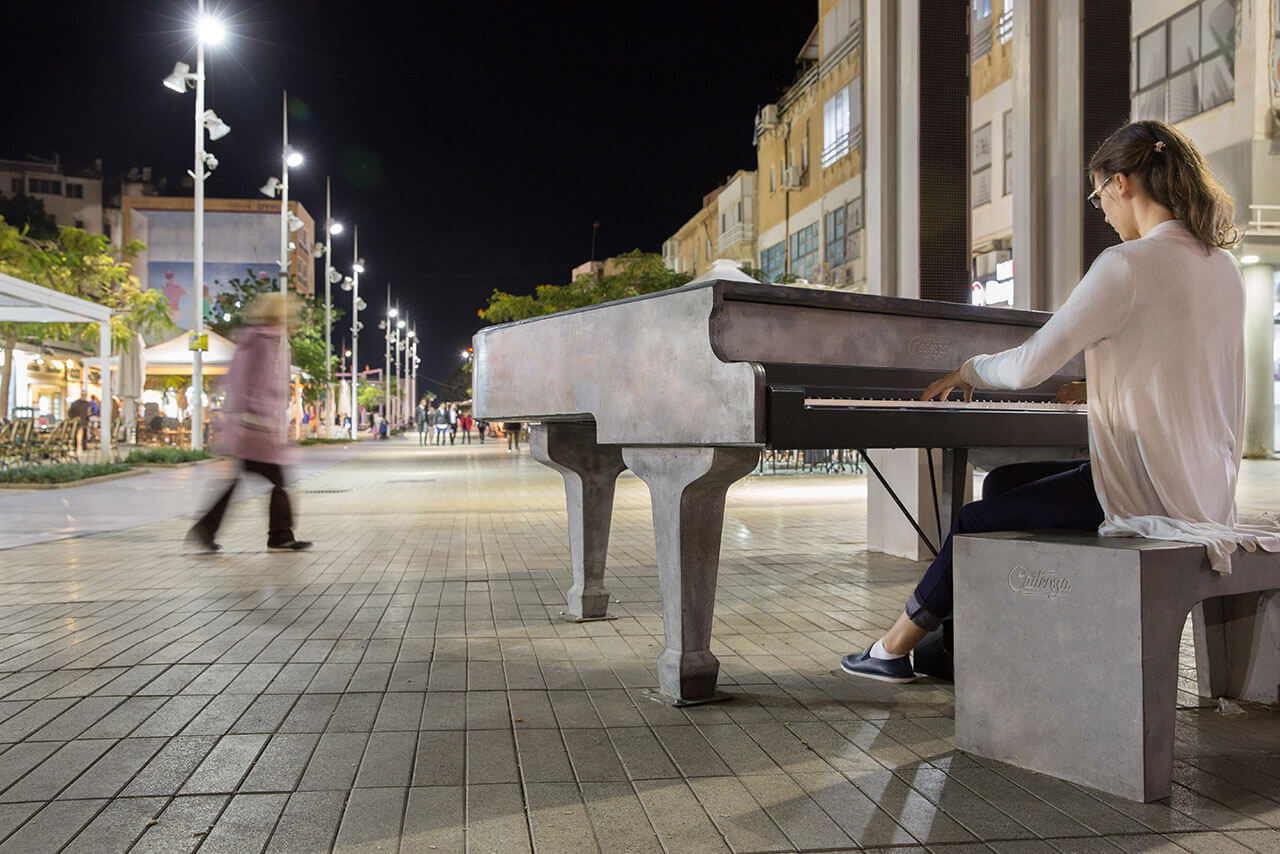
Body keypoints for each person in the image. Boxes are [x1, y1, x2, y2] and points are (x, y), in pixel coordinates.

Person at [840, 119, 1280, 684]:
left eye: (1099, 195)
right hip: (1205, 489)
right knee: (1002, 486)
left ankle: (893, 647)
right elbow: (1189, 369)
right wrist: (1099, 388)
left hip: (1145, 495)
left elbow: (1027, 365)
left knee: (974, 518)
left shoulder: (1125, 266)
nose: (1102, 210)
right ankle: (963, 644)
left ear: (1123, 183)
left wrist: (968, 369)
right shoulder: (1224, 268)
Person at [187, 292, 311, 553]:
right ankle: (278, 535)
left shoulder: (267, 340)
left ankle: (208, 528)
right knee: (277, 480)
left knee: (246, 481)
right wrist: (245, 418)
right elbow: (242, 381)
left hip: (256, 426)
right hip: (252, 426)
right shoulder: (258, 341)